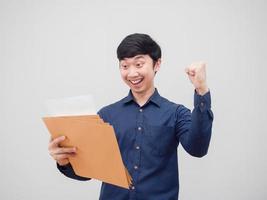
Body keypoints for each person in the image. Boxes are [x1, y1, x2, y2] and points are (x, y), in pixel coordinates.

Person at [48, 33, 214, 200]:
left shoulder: (176, 113)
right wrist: (64, 161)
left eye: (139, 64)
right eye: (125, 66)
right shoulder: (106, 115)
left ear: (157, 64)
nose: (132, 73)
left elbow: (198, 149)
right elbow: (88, 172)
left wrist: (201, 90)